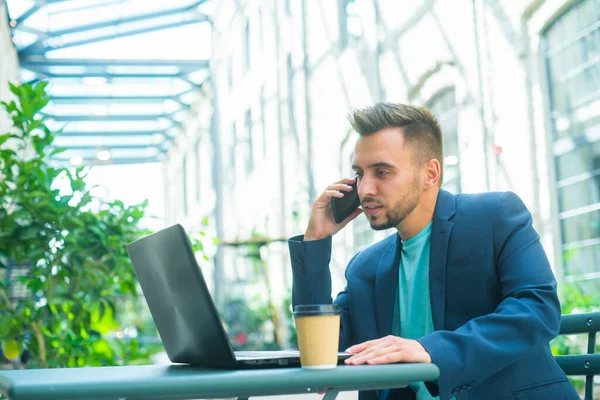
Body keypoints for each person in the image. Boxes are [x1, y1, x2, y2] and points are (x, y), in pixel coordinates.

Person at [288, 103, 579, 400]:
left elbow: (537, 308)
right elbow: (324, 349)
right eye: (360, 174)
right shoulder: (365, 267)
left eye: (382, 172)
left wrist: (430, 349)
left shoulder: (493, 217)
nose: (364, 190)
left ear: (430, 173)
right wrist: (315, 240)